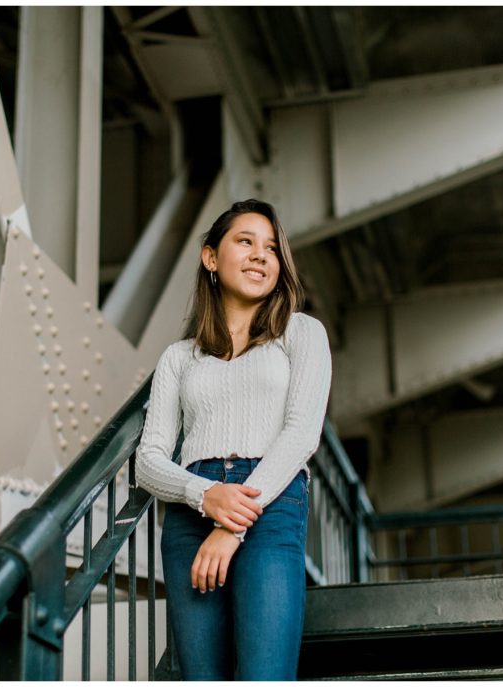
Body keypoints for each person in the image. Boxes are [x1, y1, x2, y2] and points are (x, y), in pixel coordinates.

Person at [134, 199, 332, 680]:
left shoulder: (300, 333)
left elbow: (302, 434)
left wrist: (232, 524)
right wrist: (204, 495)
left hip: (270, 504)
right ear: (210, 258)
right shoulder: (179, 358)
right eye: (245, 242)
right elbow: (148, 461)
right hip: (191, 515)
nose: (262, 255)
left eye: (271, 248)